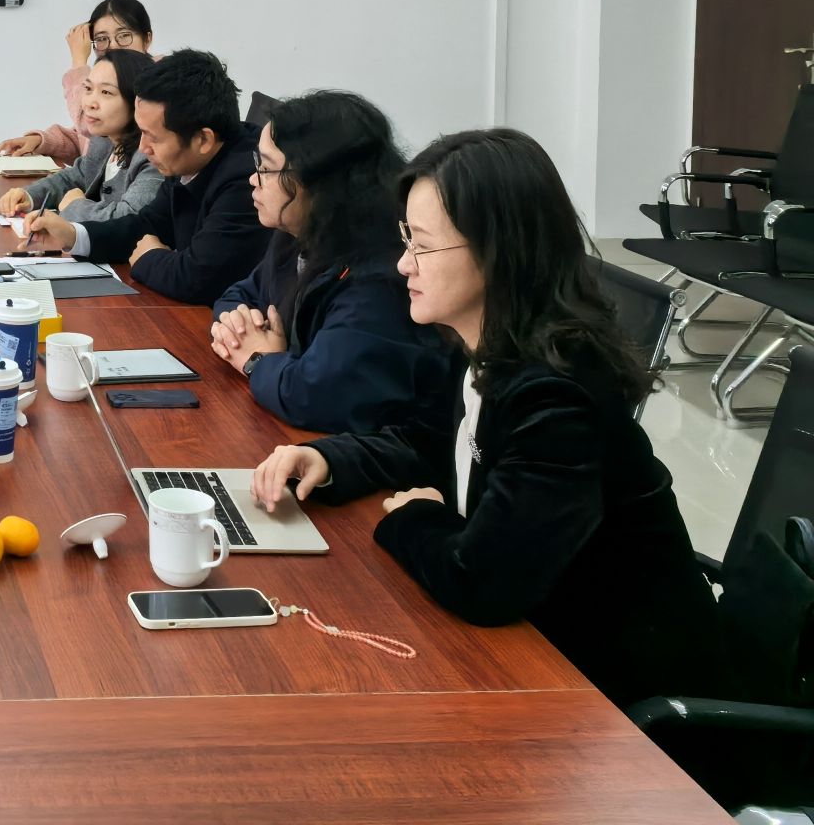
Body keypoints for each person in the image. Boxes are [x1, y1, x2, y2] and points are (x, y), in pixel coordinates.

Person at [249, 129, 721, 710]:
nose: (402, 264)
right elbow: (428, 441)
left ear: (497, 252)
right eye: (405, 238)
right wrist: (328, 458)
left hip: (618, 697)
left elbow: (483, 583)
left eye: (423, 246)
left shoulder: (558, 397)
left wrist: (414, 517)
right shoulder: (481, 344)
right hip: (541, 653)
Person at [208, 92, 451, 433]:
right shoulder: (298, 236)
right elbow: (238, 295)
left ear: (319, 182)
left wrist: (259, 360)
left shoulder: (380, 278)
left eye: (266, 167)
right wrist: (241, 329)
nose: (253, 178)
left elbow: (315, 395)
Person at [22, 49, 269, 303]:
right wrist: (73, 235)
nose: (143, 148)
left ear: (203, 139)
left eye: (154, 137)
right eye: (141, 133)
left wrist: (149, 257)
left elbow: (198, 278)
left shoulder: (249, 179)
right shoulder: (187, 158)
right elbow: (146, 225)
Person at [0, 49, 161, 226]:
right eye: (88, 89)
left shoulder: (152, 157)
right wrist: (29, 196)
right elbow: (73, 177)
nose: (89, 103)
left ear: (137, 101)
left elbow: (129, 218)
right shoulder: (104, 140)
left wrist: (75, 206)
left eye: (106, 92)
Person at [0, 0, 152, 165]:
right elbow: (87, 141)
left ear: (147, 40)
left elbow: (87, 128)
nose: (113, 46)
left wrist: (78, 62)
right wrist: (41, 141)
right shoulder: (106, 79)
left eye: (123, 35)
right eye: (101, 39)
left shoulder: (156, 85)